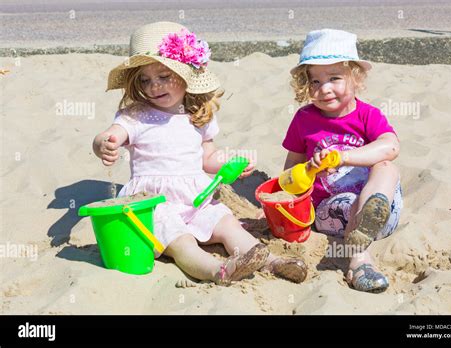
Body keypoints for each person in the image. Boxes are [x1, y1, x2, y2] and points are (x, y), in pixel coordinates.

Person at [93, 22, 308, 286]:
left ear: (186, 76)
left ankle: (272, 262)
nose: (154, 86)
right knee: (181, 243)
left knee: (228, 224)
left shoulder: (197, 115)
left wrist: (230, 163)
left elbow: (207, 158)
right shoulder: (135, 116)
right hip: (155, 203)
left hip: (196, 197)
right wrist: (105, 143)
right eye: (145, 80)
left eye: (163, 76)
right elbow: (111, 134)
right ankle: (218, 271)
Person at [283, 29, 403, 292]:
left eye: (334, 78)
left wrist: (344, 157)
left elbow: (391, 146)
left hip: (385, 213)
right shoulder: (304, 120)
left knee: (386, 167)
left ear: (356, 79)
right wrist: (310, 168)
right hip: (333, 213)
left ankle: (372, 208)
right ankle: (359, 260)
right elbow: (289, 176)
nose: (324, 89)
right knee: (349, 203)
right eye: (315, 82)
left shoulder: (367, 115)